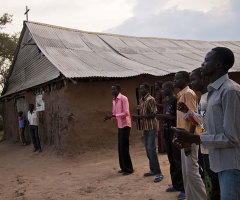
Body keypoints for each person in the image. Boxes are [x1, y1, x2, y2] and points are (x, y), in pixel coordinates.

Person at [172, 47, 240, 200]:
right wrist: (189, 114)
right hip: (217, 160)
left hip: (231, 164)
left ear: (218, 65)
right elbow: (205, 125)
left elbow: (232, 137)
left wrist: (193, 138)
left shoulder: (230, 91)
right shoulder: (212, 94)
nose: (202, 64)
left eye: (206, 60)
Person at [178, 68, 220, 200]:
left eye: (194, 79)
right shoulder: (203, 98)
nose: (191, 83)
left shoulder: (214, 97)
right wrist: (189, 112)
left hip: (214, 147)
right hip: (205, 146)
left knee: (215, 185)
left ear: (204, 78)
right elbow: (202, 123)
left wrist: (191, 138)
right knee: (210, 183)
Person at [174, 71, 207, 200]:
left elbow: (194, 117)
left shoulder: (188, 93)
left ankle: (202, 197)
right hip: (184, 138)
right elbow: (182, 119)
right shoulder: (181, 95)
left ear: (185, 80)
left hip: (190, 139)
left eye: (177, 79)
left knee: (192, 172)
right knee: (186, 172)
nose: (174, 81)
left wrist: (189, 138)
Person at [156, 82, 185, 197]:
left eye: (163, 89)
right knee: (171, 160)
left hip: (174, 132)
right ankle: (176, 184)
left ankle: (183, 187)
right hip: (167, 132)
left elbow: (177, 118)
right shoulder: (167, 101)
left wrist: (163, 117)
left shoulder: (175, 100)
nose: (162, 91)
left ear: (168, 88)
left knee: (178, 160)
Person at [132, 83, 163, 182]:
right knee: (148, 149)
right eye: (140, 89)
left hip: (152, 127)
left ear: (147, 89)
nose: (140, 90)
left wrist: (140, 117)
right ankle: (152, 169)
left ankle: (158, 173)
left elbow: (154, 114)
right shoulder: (142, 99)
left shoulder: (151, 99)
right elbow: (142, 112)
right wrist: (137, 118)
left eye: (142, 89)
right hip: (145, 127)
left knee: (151, 149)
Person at [104, 84, 134, 175]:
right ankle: (123, 167)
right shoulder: (114, 100)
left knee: (124, 147)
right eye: (111, 89)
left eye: (114, 89)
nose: (112, 91)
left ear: (118, 90)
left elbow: (126, 113)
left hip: (125, 125)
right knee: (120, 147)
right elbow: (115, 113)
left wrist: (114, 116)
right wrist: (110, 117)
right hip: (120, 125)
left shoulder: (124, 98)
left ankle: (129, 169)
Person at [154, 81, 166, 153]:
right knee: (159, 132)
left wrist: (156, 104)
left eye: (156, 85)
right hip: (158, 115)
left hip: (162, 114)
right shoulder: (157, 93)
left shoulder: (162, 93)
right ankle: (161, 149)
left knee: (162, 132)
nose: (155, 87)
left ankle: (164, 149)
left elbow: (164, 105)